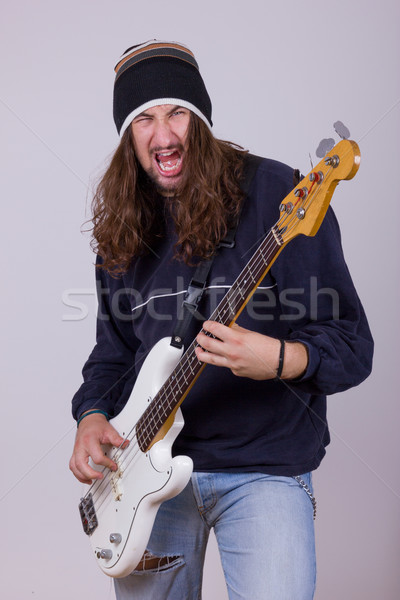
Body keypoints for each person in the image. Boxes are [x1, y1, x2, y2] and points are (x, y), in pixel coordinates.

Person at [69, 40, 374, 600]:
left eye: (177, 112)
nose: (163, 135)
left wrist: (280, 360)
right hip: (145, 482)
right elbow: (112, 358)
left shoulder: (279, 195)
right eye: (144, 118)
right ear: (127, 137)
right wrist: (90, 415)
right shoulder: (124, 226)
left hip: (264, 468)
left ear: (202, 120)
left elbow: (352, 345)